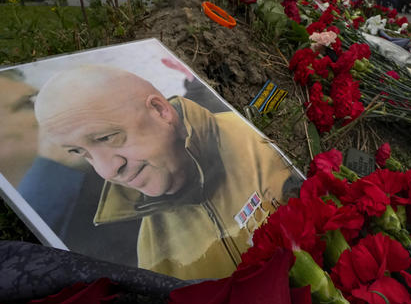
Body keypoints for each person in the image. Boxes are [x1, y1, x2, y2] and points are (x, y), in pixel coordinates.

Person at [34, 65, 300, 280]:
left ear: (161, 111)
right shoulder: (148, 254)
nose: (106, 171)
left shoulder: (259, 143)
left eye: (107, 137)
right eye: (79, 152)